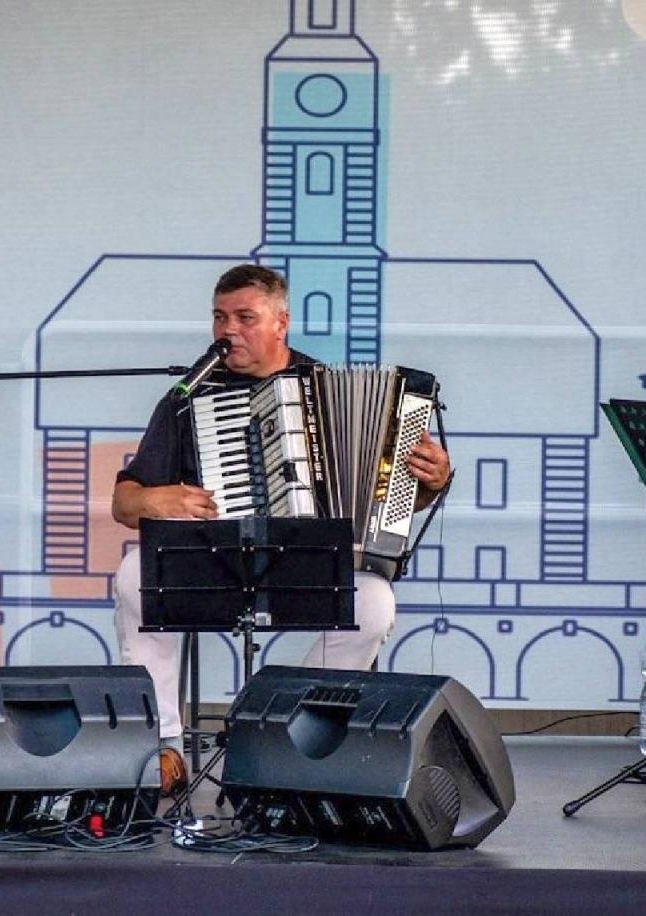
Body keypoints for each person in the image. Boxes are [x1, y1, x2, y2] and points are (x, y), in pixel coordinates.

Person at [110, 264, 451, 792]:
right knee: (136, 574)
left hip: (305, 567)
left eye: (245, 318)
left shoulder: (327, 389)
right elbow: (124, 502)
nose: (229, 331)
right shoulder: (187, 397)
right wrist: (158, 498)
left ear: (281, 322)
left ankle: (290, 736)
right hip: (216, 565)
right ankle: (163, 746)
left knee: (374, 603)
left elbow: (391, 500)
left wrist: (431, 481)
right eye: (220, 318)